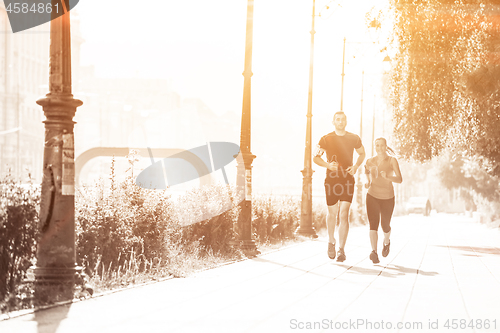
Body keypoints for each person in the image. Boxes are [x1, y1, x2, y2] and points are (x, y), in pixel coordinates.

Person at [313, 111, 366, 261]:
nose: (340, 121)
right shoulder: (326, 139)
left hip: (347, 179)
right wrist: (328, 165)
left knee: (344, 213)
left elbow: (362, 153)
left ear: (346, 121)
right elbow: (315, 158)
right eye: (338, 119)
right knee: (332, 213)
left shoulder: (354, 138)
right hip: (331, 180)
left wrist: (356, 166)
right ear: (333, 122)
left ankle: (341, 250)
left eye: (342, 119)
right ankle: (331, 241)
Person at [364, 137, 403, 264]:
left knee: (385, 225)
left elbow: (399, 179)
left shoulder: (392, 160)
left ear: (386, 146)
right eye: (377, 145)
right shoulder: (370, 161)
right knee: (373, 225)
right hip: (372, 196)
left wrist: (388, 177)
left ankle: (386, 241)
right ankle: (374, 252)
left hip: (387, 197)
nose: (379, 148)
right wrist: (367, 182)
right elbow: (367, 174)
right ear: (374, 147)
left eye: (381, 145)